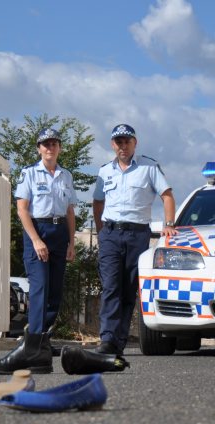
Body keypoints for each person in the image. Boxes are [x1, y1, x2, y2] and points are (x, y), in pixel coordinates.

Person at [0, 128, 76, 374]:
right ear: (38, 148)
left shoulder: (66, 176)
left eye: (54, 143)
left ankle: (39, 343)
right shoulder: (30, 174)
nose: (50, 148)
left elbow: (69, 212)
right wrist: (36, 240)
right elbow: (22, 209)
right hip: (39, 231)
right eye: (45, 144)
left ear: (59, 147)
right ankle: (32, 346)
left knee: (55, 293)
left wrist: (71, 242)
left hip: (59, 234)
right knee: (40, 289)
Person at [91, 123, 176, 356]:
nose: (123, 146)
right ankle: (107, 338)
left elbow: (167, 196)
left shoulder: (149, 167)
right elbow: (97, 202)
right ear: (112, 145)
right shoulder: (105, 171)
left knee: (128, 289)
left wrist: (169, 225)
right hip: (110, 234)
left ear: (135, 143)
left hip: (138, 234)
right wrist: (101, 231)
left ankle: (117, 341)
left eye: (127, 141)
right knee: (110, 286)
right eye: (119, 142)